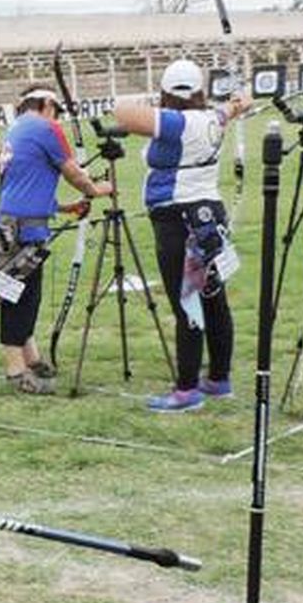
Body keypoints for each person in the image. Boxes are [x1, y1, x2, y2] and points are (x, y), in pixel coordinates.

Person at [114, 60, 251, 412]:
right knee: (213, 298)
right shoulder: (211, 117)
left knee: (187, 302)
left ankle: (187, 389)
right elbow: (228, 111)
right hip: (207, 216)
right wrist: (236, 104)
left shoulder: (179, 122)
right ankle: (219, 379)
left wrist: (158, 104)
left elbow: (122, 113)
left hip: (179, 220)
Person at [0, 88, 110, 394]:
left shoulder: (15, 130)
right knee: (17, 295)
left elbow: (25, 182)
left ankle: (32, 358)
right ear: (46, 105)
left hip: (13, 223)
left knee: (27, 294)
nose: (60, 119)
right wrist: (96, 189)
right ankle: (17, 372)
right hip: (23, 229)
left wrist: (64, 207)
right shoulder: (46, 127)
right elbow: (73, 173)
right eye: (57, 111)